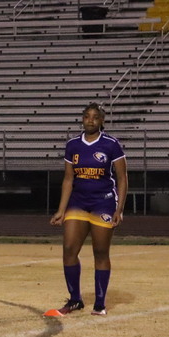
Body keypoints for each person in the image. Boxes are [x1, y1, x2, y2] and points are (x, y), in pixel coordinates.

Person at [46, 103, 128, 317]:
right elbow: (68, 178)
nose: (90, 120)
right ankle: (75, 300)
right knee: (69, 249)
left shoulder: (112, 145)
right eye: (86, 116)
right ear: (82, 119)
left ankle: (99, 304)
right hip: (78, 202)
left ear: (102, 121)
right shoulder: (73, 145)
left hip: (104, 202)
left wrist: (119, 209)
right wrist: (61, 210)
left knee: (100, 252)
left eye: (95, 117)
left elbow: (122, 178)